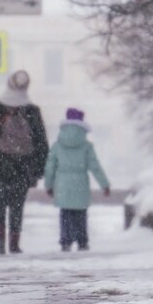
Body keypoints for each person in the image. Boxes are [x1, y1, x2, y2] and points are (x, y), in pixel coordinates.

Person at [0, 70, 49, 254]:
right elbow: (40, 142)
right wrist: (41, 167)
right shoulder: (32, 110)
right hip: (23, 166)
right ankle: (14, 242)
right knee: (17, 205)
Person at [44, 108, 110, 252]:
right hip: (80, 182)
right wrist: (104, 185)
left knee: (65, 212)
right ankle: (82, 241)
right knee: (80, 213)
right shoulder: (87, 146)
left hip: (62, 182)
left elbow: (50, 166)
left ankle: (65, 240)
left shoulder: (58, 145)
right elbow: (95, 166)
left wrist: (48, 185)